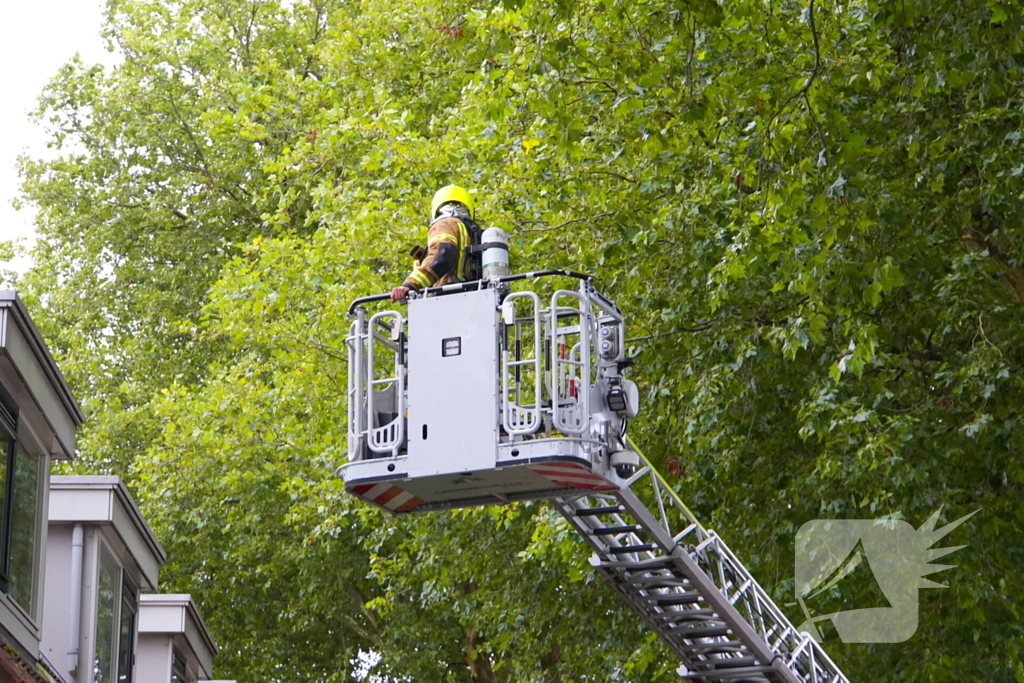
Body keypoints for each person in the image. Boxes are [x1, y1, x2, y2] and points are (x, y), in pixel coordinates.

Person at [390, 185, 480, 302]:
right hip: (474, 298)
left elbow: (442, 253)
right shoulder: (474, 234)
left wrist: (410, 285)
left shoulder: (445, 224)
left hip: (447, 298)